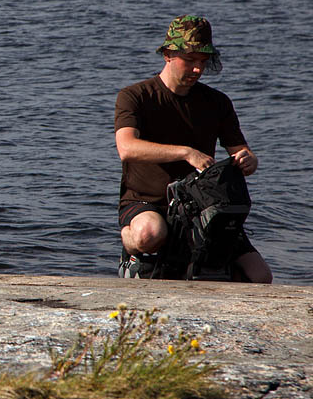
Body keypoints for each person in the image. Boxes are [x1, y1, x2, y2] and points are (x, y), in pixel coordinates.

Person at [114, 15, 272, 283]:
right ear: (168, 54)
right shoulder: (135, 96)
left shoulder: (217, 102)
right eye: (190, 60)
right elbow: (126, 148)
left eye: (203, 61)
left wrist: (249, 160)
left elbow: (242, 151)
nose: (198, 69)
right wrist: (186, 152)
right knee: (149, 234)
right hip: (147, 202)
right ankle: (130, 248)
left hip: (203, 204)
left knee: (259, 276)